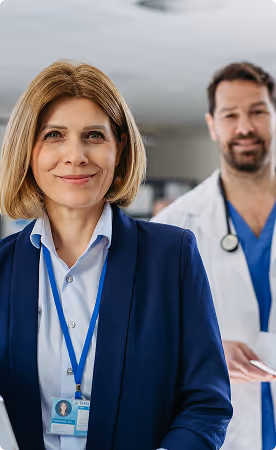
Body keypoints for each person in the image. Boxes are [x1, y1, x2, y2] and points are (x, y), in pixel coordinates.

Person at [0, 60, 232, 450]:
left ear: (119, 147)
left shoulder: (172, 257)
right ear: (28, 148)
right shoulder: (3, 268)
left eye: (93, 135)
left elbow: (207, 403)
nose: (75, 155)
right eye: (54, 135)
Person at [152, 61, 276, 450]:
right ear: (212, 125)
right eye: (230, 115)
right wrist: (205, 351)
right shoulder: (174, 225)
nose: (244, 128)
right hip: (223, 433)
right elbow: (149, 341)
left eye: (257, 111)